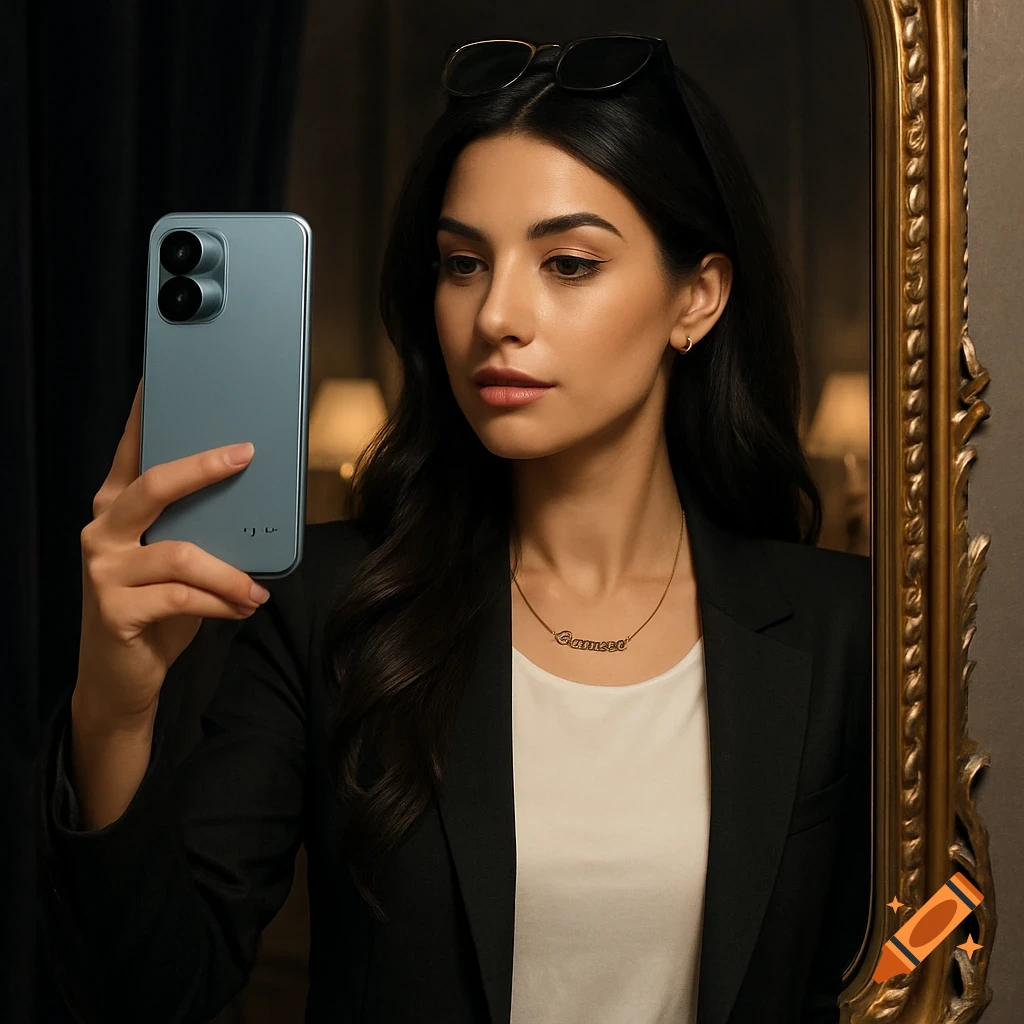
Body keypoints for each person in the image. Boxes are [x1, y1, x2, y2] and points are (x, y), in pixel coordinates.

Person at [34, 34, 872, 1024]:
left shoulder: (843, 629)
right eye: (462, 262)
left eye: (567, 262)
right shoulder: (330, 611)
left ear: (696, 297)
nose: (496, 315)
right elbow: (153, 992)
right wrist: (112, 714)